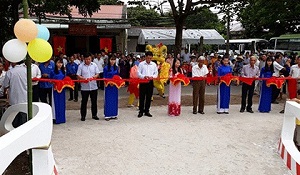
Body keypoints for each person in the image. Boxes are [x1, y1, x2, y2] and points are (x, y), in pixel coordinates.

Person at [3, 61, 27, 127]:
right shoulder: (27, 71)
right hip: (25, 98)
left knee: (14, 118)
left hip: (13, 98)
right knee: (23, 118)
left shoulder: (10, 72)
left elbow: (5, 85)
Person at [77, 53, 100, 121]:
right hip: (84, 87)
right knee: (84, 102)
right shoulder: (81, 66)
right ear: (84, 59)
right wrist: (83, 79)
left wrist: (93, 77)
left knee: (94, 102)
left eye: (89, 59)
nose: (88, 60)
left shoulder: (94, 65)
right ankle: (83, 116)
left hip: (93, 86)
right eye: (86, 59)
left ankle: (94, 115)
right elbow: (78, 75)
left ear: (91, 59)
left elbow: (97, 73)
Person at [137, 51, 158, 118]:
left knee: (149, 97)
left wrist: (153, 77)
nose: (149, 60)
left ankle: (147, 110)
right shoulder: (141, 64)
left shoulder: (154, 64)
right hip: (143, 82)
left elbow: (156, 73)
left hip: (150, 82)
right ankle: (141, 111)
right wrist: (143, 76)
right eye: (148, 58)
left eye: (150, 58)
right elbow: (138, 73)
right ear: (145, 57)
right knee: (142, 97)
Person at [50, 58, 67, 124]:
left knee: (62, 103)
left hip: (62, 90)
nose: (60, 64)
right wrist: (54, 83)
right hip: (55, 89)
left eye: (61, 63)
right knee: (55, 103)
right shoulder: (52, 72)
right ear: (55, 63)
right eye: (58, 63)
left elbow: (65, 79)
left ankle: (62, 118)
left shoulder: (63, 71)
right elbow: (50, 80)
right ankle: (55, 118)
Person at [103, 56, 119, 121]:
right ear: (109, 60)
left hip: (115, 86)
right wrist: (109, 83)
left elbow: (117, 76)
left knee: (114, 100)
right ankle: (107, 115)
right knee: (108, 99)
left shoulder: (117, 68)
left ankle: (114, 114)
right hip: (108, 86)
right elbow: (104, 77)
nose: (112, 61)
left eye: (114, 60)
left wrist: (116, 82)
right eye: (111, 60)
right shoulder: (106, 68)